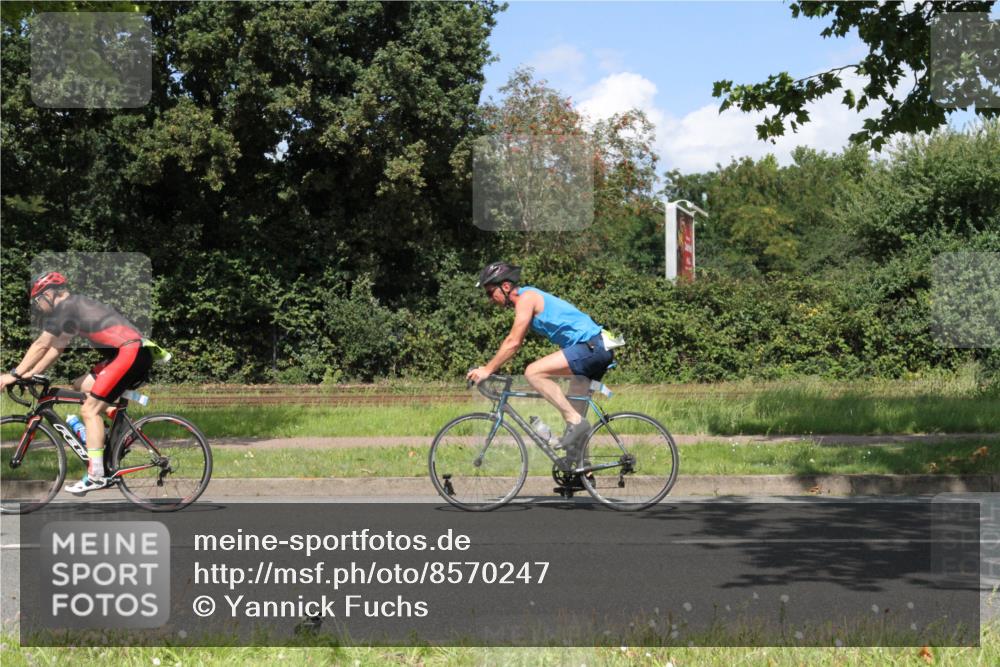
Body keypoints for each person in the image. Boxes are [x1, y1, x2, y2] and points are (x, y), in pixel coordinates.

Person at [0, 272, 154, 494]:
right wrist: (31, 373)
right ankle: (120, 429)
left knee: (89, 410)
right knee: (80, 385)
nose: (38, 305)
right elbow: (56, 347)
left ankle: (96, 475)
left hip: (128, 353)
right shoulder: (74, 307)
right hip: (130, 352)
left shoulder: (67, 306)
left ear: (50, 293)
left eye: (38, 300)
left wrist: (14, 374)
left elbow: (42, 344)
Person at [467, 262, 617, 459]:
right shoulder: (527, 299)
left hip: (592, 346)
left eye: (490, 292)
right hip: (596, 347)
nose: (489, 299)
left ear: (505, 287)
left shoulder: (526, 299)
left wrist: (488, 369)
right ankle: (582, 474)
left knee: (533, 372)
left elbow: (513, 342)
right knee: (574, 423)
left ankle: (576, 422)